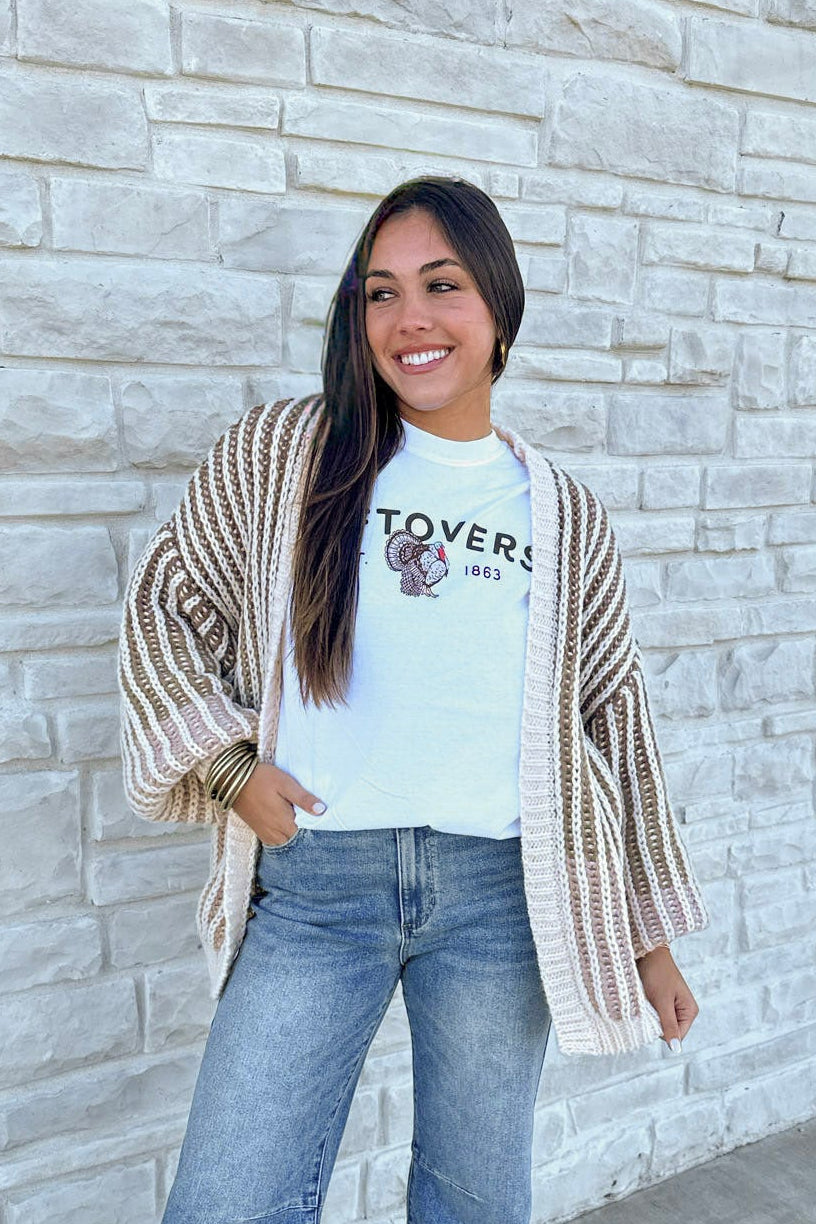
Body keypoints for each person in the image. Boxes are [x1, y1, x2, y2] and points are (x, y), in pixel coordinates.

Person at [117, 175, 710, 1224]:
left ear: (498, 308)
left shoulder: (564, 513)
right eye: (379, 294)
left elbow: (613, 722)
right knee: (227, 1201)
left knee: (474, 1202)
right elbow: (168, 599)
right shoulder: (284, 455)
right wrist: (226, 770)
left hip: (500, 900)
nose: (411, 320)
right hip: (316, 889)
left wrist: (650, 940)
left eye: (442, 286)